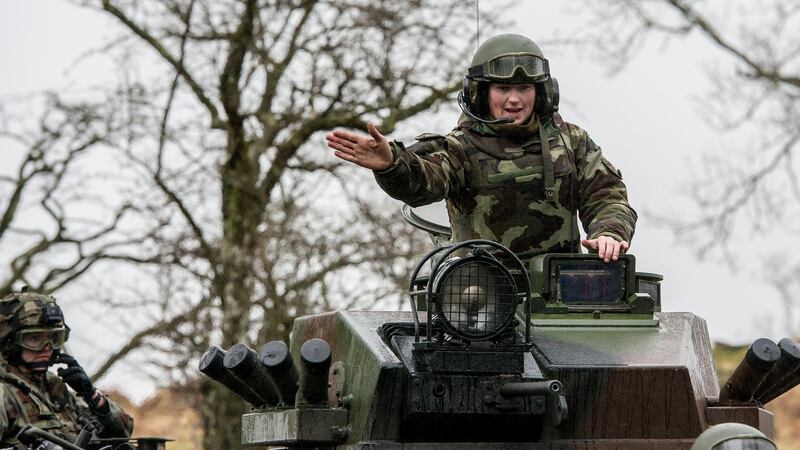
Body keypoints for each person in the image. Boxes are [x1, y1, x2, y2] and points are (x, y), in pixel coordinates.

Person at [326, 34, 636, 262]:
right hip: (480, 297)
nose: (514, 99)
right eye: (503, 88)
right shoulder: (461, 147)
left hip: (558, 294)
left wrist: (609, 233)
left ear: (541, 93)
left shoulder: (571, 142)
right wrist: (392, 163)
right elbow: (426, 179)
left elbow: (607, 195)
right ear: (480, 94)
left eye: (524, 88)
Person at [0, 289, 133, 448]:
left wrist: (92, 396)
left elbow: (124, 431)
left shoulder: (54, 387)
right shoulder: (4, 393)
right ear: (10, 342)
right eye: (35, 338)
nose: (47, 348)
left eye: (54, 338)